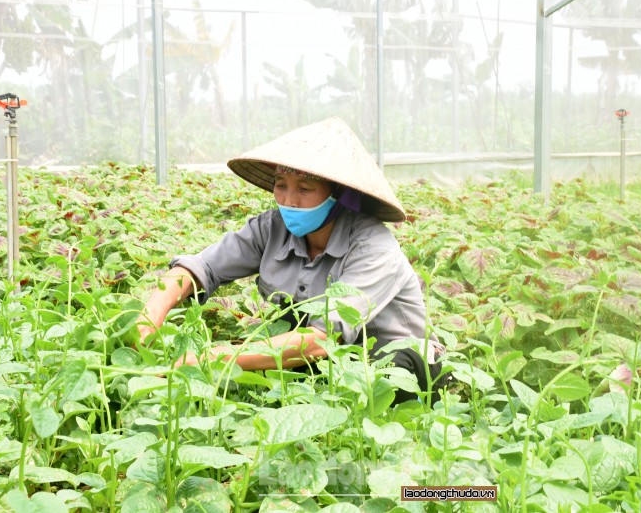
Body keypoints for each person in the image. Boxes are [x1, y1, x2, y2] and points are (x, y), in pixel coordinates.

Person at [137, 117, 446, 404]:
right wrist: (148, 318)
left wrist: (215, 357)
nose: (288, 201)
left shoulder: (373, 248)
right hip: (329, 363)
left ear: (339, 195)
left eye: (305, 189)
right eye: (281, 185)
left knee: (387, 372)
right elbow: (201, 267)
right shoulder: (271, 229)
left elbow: (323, 338)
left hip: (399, 364)